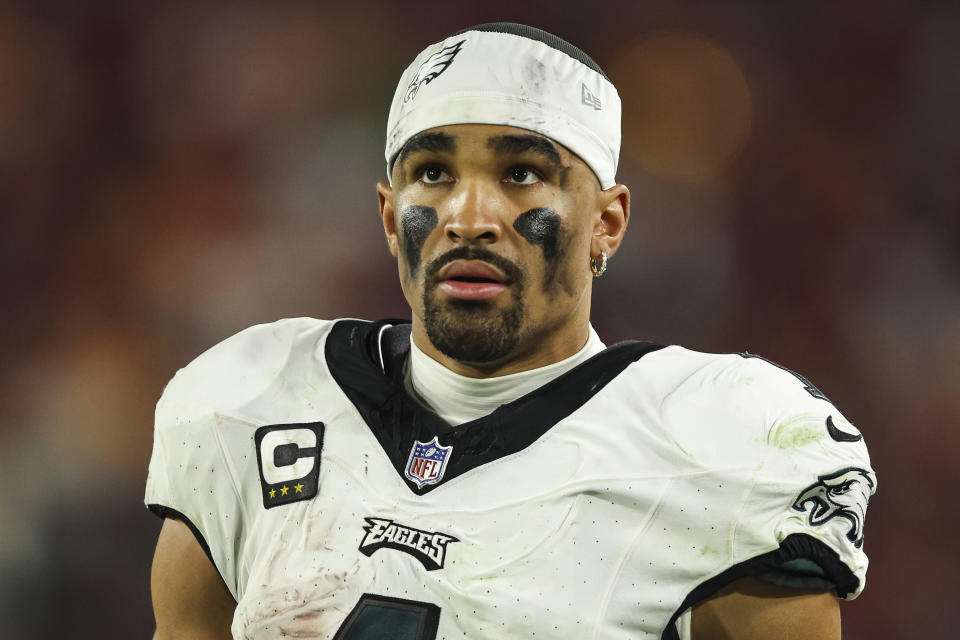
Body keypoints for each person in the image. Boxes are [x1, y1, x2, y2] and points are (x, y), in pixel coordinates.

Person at [147, 22, 875, 640]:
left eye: (522, 173)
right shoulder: (251, 404)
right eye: (432, 171)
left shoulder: (722, 444)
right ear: (387, 217)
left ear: (607, 223)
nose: (469, 216)